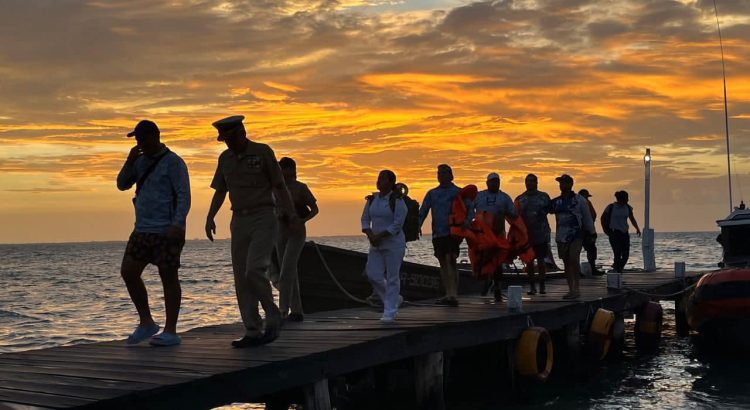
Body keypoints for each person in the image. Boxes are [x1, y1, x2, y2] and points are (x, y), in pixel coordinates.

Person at [205, 115, 298, 348]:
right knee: (241, 278)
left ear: (241, 132)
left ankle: (272, 313)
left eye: (230, 138)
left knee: (254, 269)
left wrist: (292, 215)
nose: (227, 143)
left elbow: (279, 185)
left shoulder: (262, 152)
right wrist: (210, 216)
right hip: (239, 219)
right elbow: (220, 191)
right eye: (224, 140)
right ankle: (253, 329)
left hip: (264, 216)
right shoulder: (225, 159)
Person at [117, 120, 191, 346]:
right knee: (129, 272)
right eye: (137, 139)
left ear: (155, 136)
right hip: (142, 229)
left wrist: (178, 224)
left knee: (168, 278)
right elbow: (122, 184)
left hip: (167, 230)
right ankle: (146, 322)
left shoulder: (174, 163)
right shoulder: (138, 162)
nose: (140, 143)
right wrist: (129, 161)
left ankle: (171, 330)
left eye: (143, 138)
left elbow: (183, 195)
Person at [274, 157, 319, 322]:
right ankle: (297, 310)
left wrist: (302, 220)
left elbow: (315, 209)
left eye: (284, 168)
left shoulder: (300, 188)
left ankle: (282, 311)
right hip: (280, 232)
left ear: (292, 170)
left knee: (287, 270)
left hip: (297, 232)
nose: (281, 172)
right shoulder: (276, 188)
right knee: (288, 272)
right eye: (280, 168)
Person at [361, 170, 408, 322]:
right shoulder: (372, 199)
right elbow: (365, 219)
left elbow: (397, 225)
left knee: (392, 277)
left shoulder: (398, 201)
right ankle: (395, 300)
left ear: (391, 182)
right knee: (373, 274)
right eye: (378, 178)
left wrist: (379, 236)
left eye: (383, 179)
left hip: (394, 244)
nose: (379, 181)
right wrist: (370, 235)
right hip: (376, 244)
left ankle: (390, 311)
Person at [467, 172, 517, 302]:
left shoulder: (504, 197)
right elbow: (470, 210)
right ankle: (487, 280)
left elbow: (513, 213)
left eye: (497, 181)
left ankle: (497, 288)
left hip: (498, 234)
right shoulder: (479, 196)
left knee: (498, 261)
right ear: (487, 183)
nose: (495, 183)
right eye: (492, 181)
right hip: (482, 235)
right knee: (482, 259)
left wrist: (503, 214)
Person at [418, 164, 462, 306]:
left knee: (451, 259)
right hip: (438, 232)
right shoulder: (432, 193)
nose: (441, 175)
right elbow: (423, 210)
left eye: (444, 173)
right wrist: (418, 225)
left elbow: (468, 209)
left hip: (453, 232)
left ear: (451, 175)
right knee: (442, 261)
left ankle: (453, 293)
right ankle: (447, 293)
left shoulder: (458, 192)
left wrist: (466, 224)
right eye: (438, 173)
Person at [550, 174, 595, 299]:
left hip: (576, 235)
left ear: (570, 184)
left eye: (564, 183)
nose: (561, 185)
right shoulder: (556, 202)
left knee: (574, 260)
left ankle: (577, 288)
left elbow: (587, 217)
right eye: (560, 183)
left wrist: (592, 232)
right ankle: (571, 289)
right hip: (561, 236)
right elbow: (545, 210)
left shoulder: (579, 200)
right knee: (566, 262)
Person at [515, 174, 552, 295]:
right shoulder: (520, 199)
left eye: (532, 181)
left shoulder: (544, 197)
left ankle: (542, 285)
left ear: (537, 183)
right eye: (528, 181)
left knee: (541, 261)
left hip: (541, 234)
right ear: (525, 183)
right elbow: (514, 217)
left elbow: (552, 211)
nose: (530, 183)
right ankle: (532, 286)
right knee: (529, 262)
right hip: (526, 236)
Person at [601, 191, 641, 273]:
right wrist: (605, 230)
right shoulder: (611, 207)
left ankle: (618, 267)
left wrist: (637, 228)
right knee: (617, 252)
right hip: (614, 232)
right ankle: (617, 269)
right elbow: (603, 218)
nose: (627, 200)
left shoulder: (628, 207)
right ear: (620, 199)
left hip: (624, 232)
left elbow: (632, 218)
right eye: (626, 198)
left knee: (626, 254)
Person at [578, 189, 603, 276]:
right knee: (590, 250)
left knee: (590, 250)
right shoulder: (584, 203)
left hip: (586, 230)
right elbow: (592, 215)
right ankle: (590, 269)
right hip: (586, 230)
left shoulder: (584, 202)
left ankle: (590, 269)